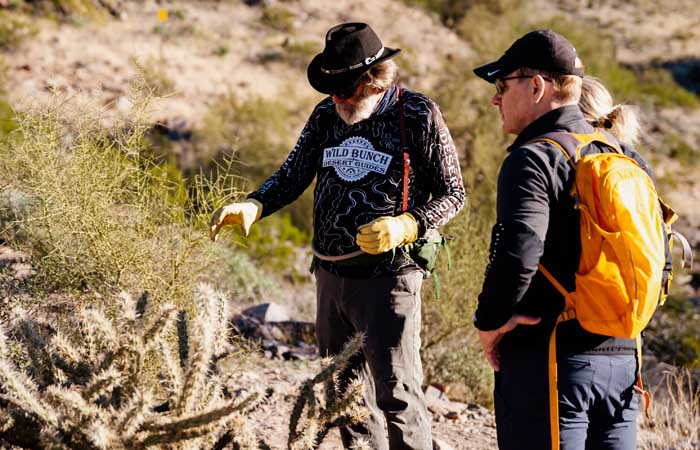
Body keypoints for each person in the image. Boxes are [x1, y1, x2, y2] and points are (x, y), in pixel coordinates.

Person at [210, 22, 465, 450]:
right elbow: (293, 175)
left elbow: (454, 193)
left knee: (398, 395)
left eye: (346, 88)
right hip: (330, 277)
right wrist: (255, 204)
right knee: (343, 397)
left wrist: (408, 224)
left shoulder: (416, 113)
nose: (337, 98)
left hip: (390, 280)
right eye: (332, 88)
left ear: (373, 79)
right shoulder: (326, 115)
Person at [471, 30, 656, 450]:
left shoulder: (533, 158)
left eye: (502, 85)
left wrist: (490, 322)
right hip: (625, 364)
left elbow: (519, 249)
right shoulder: (626, 156)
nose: (495, 99)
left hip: (551, 362)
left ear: (536, 85)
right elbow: (658, 259)